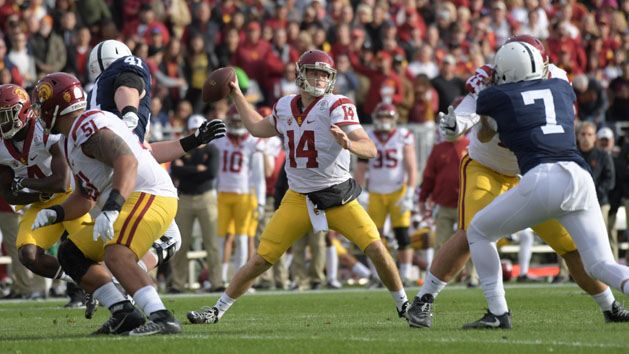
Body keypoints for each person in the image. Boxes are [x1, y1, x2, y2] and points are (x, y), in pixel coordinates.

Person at [405, 35, 629, 329]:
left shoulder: (505, 86)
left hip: (534, 176)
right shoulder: (557, 82)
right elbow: (472, 126)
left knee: (563, 246)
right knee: (467, 235)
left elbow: (481, 121)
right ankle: (424, 299)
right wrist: (457, 124)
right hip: (494, 168)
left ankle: (606, 306)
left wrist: (463, 122)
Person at [187, 50, 409, 324]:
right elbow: (257, 127)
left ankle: (404, 306)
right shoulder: (284, 106)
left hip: (337, 195)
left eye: (324, 74)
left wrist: (349, 143)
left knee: (376, 248)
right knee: (261, 259)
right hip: (298, 197)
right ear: (300, 74)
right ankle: (216, 311)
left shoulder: (337, 104)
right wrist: (236, 94)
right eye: (314, 72)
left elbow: (370, 147)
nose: (319, 78)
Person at [30, 72, 226, 335]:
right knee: (71, 253)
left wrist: (112, 206)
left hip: (150, 193)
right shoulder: (69, 140)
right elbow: (85, 197)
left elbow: (127, 161)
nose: (39, 114)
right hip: (128, 199)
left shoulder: (86, 125)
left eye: (42, 107)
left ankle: (162, 316)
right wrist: (56, 213)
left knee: (117, 253)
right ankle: (124, 312)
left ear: (55, 106)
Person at [0, 84, 91, 297]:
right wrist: (38, 195)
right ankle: (80, 280)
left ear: (21, 111)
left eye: (4, 116)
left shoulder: (45, 129)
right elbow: (7, 193)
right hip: (41, 203)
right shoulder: (2, 146)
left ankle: (117, 291)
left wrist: (24, 183)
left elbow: (60, 182)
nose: (1, 122)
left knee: (91, 250)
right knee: (28, 254)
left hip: (72, 197)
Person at [354, 103, 417, 286]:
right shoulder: (368, 136)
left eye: (387, 117)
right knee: (373, 237)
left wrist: (410, 193)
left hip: (398, 191)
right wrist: (359, 192)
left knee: (402, 234)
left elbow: (412, 167)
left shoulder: (403, 136)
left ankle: (405, 275)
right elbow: (360, 169)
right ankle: (376, 275)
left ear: (394, 119)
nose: (384, 121)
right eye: (381, 117)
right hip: (375, 193)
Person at [168, 115, 223, 294]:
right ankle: (178, 283)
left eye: (197, 129)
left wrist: (187, 170)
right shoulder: (184, 147)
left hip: (206, 197)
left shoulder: (212, 149)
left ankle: (217, 281)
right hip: (184, 198)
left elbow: (211, 173)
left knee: (211, 243)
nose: (195, 133)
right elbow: (175, 169)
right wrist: (198, 169)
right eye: (192, 130)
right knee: (181, 243)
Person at [212, 105, 265, 283]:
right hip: (223, 194)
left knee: (243, 238)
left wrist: (261, 200)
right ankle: (220, 277)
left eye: (238, 119)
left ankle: (240, 279)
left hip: (244, 194)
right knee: (222, 237)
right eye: (233, 119)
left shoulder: (252, 141)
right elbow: (214, 168)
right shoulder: (219, 139)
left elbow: (258, 175)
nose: (236, 123)